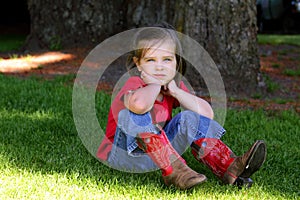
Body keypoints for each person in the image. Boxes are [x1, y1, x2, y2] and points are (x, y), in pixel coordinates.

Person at [97, 22, 267, 190]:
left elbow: (207, 114)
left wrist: (177, 92)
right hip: (123, 155)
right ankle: (175, 170)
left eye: (167, 60)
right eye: (150, 60)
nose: (159, 66)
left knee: (188, 117)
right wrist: (155, 85)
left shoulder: (172, 87)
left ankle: (229, 166)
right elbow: (139, 106)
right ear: (139, 64)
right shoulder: (134, 83)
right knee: (130, 114)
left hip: (156, 158)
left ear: (176, 63)